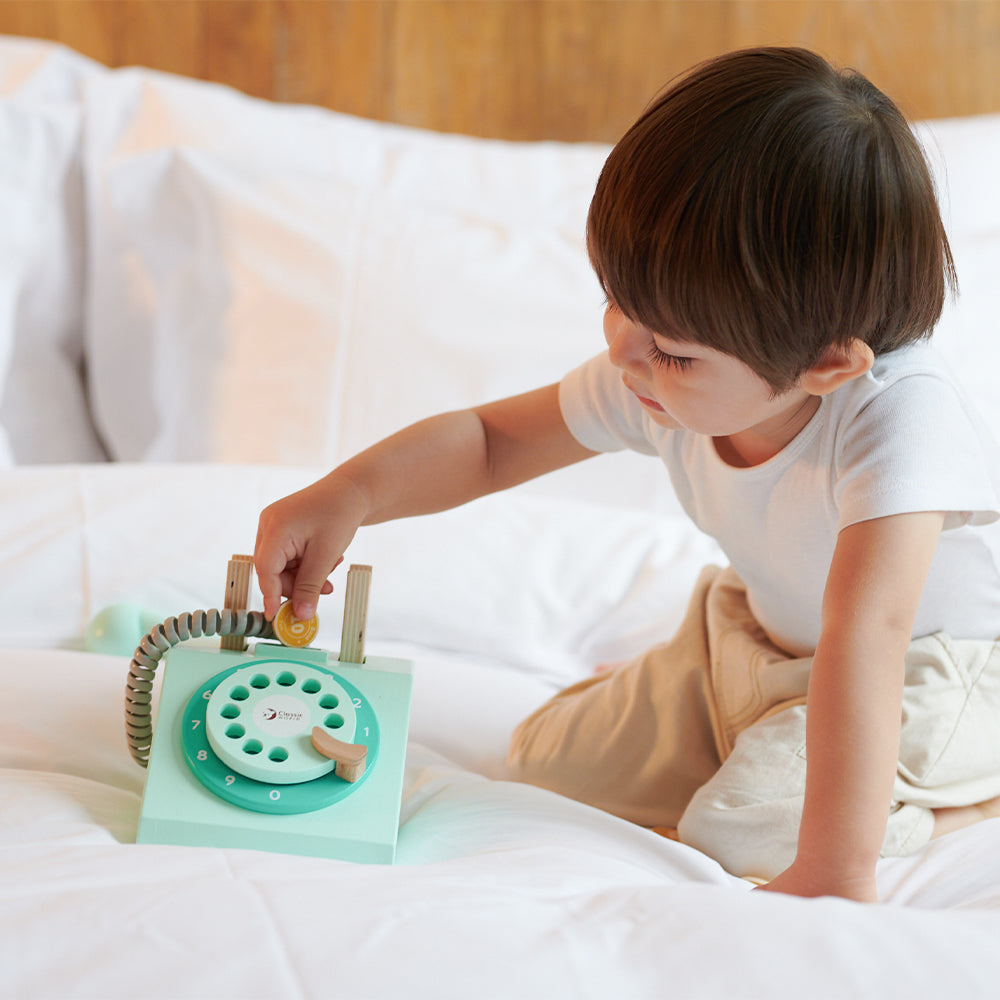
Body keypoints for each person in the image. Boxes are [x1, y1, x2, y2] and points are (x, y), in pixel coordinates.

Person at [254, 47, 1000, 903]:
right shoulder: (659, 378)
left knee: (743, 827)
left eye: (674, 352)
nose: (622, 351)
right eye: (615, 299)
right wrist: (348, 495)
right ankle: (748, 735)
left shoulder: (902, 422)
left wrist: (835, 871)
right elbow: (493, 441)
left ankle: (955, 801)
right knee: (544, 760)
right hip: (751, 642)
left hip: (924, 677)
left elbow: (867, 635)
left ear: (828, 366)